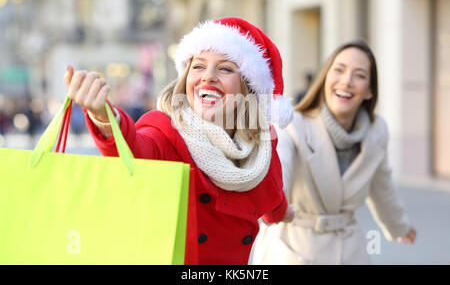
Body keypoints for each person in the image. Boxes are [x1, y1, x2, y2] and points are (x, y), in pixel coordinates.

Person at [64, 17, 295, 265]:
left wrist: (282, 213)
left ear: (248, 89)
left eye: (225, 68)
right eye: (198, 67)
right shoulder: (164, 133)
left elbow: (271, 192)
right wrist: (103, 116)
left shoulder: (260, 151)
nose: (208, 77)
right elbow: (134, 151)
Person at [252, 40, 416, 265]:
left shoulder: (377, 132)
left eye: (359, 75)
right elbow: (280, 168)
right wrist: (272, 205)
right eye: (338, 70)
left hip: (350, 250)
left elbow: (382, 185)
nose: (346, 81)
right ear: (325, 78)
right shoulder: (292, 123)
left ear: (369, 90)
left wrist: (399, 225)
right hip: (293, 246)